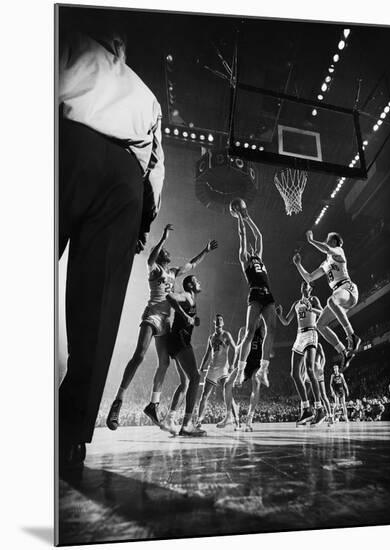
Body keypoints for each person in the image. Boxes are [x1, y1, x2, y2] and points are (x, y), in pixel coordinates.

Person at [58, 26, 165, 472]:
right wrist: (142, 221)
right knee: (97, 317)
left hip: (65, 142)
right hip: (125, 178)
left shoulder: (66, 40)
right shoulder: (146, 95)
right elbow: (157, 167)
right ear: (120, 47)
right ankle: (69, 437)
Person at [106, 225, 217, 430]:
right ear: (159, 257)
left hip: (166, 321)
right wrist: (163, 238)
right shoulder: (155, 269)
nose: (167, 253)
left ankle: (153, 404)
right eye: (163, 252)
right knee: (139, 355)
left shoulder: (173, 272)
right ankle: (118, 401)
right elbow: (149, 260)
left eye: (166, 250)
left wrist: (206, 250)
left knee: (164, 364)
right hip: (153, 315)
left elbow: (191, 264)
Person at [293, 231, 360, 371]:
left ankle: (351, 336)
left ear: (335, 242)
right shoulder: (326, 263)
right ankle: (344, 352)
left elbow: (326, 248)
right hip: (339, 296)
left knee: (331, 300)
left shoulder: (338, 251)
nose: (325, 241)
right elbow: (310, 278)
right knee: (320, 324)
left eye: (328, 239)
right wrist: (298, 264)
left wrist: (311, 241)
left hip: (348, 289)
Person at [233, 210, 277, 388]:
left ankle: (263, 369)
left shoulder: (259, 257)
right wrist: (240, 220)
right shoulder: (245, 259)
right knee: (250, 332)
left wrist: (248, 217)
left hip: (268, 294)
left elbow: (258, 235)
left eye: (253, 248)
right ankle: (239, 371)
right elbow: (243, 236)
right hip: (255, 294)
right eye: (249, 248)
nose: (252, 248)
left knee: (272, 329)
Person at [161, 276, 207, 436]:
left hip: (175, 341)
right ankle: (187, 424)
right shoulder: (187, 295)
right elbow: (169, 297)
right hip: (179, 340)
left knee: (185, 383)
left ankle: (170, 419)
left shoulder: (191, 299)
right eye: (197, 280)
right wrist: (187, 316)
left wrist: (192, 319)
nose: (200, 282)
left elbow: (187, 318)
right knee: (195, 377)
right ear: (190, 285)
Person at [276, 282, 326, 426]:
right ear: (301, 288)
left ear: (311, 289)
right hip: (299, 336)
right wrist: (279, 315)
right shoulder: (296, 304)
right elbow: (286, 321)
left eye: (309, 286)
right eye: (304, 285)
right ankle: (306, 409)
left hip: (311, 332)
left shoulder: (314, 300)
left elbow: (322, 313)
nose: (307, 287)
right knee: (294, 373)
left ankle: (319, 409)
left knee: (310, 369)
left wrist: (311, 308)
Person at [217, 318, 266, 431]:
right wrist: (234, 366)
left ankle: (249, 418)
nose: (256, 319)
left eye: (259, 317)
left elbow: (269, 349)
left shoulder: (263, 330)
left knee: (256, 381)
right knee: (227, 384)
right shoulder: (243, 330)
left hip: (257, 363)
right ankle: (229, 415)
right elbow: (238, 350)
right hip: (245, 363)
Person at [195, 315, 238, 427]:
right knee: (204, 395)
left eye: (221, 320)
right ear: (215, 322)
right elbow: (207, 354)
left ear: (223, 323)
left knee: (227, 394)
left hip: (223, 368)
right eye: (217, 319)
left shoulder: (226, 335)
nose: (219, 321)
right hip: (212, 368)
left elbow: (236, 350)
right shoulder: (211, 337)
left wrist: (232, 364)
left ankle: (236, 420)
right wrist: (201, 367)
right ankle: (198, 421)